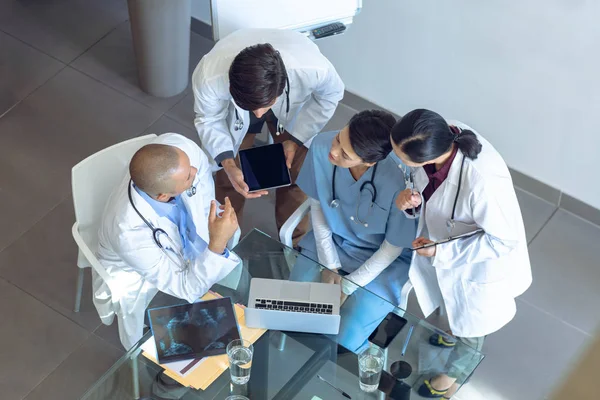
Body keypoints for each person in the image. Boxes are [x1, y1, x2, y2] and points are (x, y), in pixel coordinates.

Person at [391, 109, 532, 398]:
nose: (397, 159)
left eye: (401, 157)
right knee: (448, 304)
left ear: (425, 157)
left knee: (472, 328)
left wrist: (442, 252)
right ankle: (450, 332)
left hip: (480, 268)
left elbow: (503, 242)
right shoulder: (440, 136)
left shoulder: (482, 183)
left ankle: (451, 378)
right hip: (445, 250)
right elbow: (431, 197)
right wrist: (412, 203)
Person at [192, 28, 345, 246]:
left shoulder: (312, 69)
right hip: (235, 115)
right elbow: (208, 118)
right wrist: (227, 162)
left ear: (281, 87)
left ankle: (294, 244)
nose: (258, 115)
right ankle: (224, 242)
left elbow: (331, 95)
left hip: (291, 115)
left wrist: (297, 137)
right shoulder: (210, 75)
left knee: (297, 176)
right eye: (251, 108)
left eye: (265, 107)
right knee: (228, 179)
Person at [92, 133, 241, 349]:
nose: (195, 172)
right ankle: (167, 379)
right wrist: (216, 245)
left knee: (238, 279)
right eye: (188, 177)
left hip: (189, 249)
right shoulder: (128, 232)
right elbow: (185, 288)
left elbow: (202, 190)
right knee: (189, 340)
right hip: (145, 280)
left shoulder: (178, 148)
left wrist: (211, 232)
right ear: (163, 196)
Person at [293, 110, 417, 352]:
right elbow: (317, 206)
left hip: (384, 261)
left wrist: (347, 287)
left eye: (346, 154)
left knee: (346, 339)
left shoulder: (401, 180)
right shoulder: (321, 147)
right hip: (333, 243)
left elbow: (393, 246)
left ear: (370, 162)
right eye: (339, 138)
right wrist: (330, 266)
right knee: (294, 311)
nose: (334, 151)